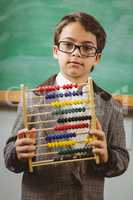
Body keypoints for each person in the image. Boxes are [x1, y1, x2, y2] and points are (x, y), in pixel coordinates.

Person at [4, 12, 129, 200]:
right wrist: (17, 153)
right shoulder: (32, 99)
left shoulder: (110, 105)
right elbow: (9, 154)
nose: (76, 53)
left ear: (97, 57)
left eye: (87, 48)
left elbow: (122, 159)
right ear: (56, 51)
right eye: (68, 45)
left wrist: (107, 156)